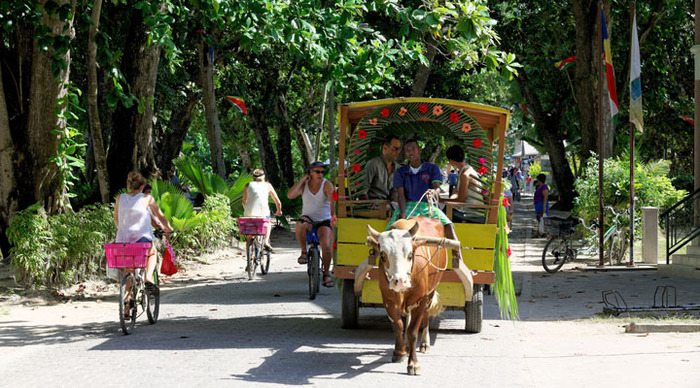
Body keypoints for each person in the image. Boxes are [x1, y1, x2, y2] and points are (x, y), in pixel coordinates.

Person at [391, 139, 462, 261]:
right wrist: (402, 213)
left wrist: (434, 192)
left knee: (449, 225)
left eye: (413, 149)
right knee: (389, 230)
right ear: (405, 154)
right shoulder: (400, 172)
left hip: (427, 206)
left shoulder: (432, 168)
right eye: (407, 150)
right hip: (408, 205)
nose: (410, 152)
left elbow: (437, 188)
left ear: (419, 150)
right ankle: (374, 259)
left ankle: (458, 259)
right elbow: (401, 195)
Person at [114, 171, 173, 293]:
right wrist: (168, 228)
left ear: (129, 185)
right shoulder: (147, 198)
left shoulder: (120, 198)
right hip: (141, 240)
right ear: (142, 186)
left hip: (122, 241)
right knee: (152, 252)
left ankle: (126, 305)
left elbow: (116, 219)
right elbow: (160, 217)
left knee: (129, 270)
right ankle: (148, 278)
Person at [287, 161, 336, 288]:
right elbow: (290, 195)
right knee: (300, 223)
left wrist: (333, 216)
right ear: (310, 173)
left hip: (324, 220)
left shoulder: (327, 185)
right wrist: (303, 179)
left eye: (322, 172)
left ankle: (326, 274)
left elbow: (332, 202)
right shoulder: (304, 185)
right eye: (317, 172)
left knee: (326, 245)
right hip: (308, 218)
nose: (321, 174)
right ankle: (303, 252)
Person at [242, 168, 283, 251]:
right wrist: (278, 211)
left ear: (253, 177)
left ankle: (248, 261)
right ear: (263, 177)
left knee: (250, 236)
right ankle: (266, 242)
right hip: (263, 213)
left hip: (249, 213)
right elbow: (278, 202)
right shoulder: (268, 185)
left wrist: (246, 209)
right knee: (268, 223)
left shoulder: (247, 185)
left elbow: (243, 201)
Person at [445, 144, 485, 223]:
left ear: (451, 161)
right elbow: (456, 192)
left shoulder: (465, 174)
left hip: (472, 213)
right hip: (469, 210)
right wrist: (448, 200)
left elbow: (461, 200)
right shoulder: (465, 170)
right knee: (445, 209)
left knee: (440, 216)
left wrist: (441, 200)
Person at [364, 135, 402, 200]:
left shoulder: (398, 168)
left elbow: (396, 193)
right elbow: (363, 191)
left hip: (390, 206)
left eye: (399, 149)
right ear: (385, 148)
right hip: (374, 204)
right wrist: (368, 207)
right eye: (395, 149)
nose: (398, 152)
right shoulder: (373, 164)